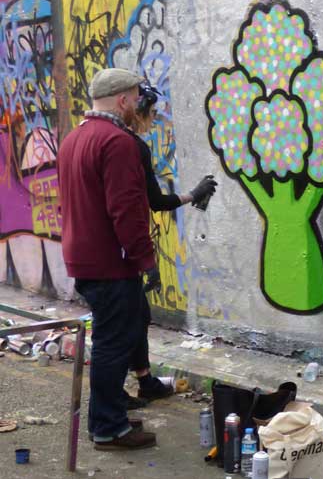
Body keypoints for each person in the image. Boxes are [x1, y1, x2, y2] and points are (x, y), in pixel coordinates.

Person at [58, 68, 159, 450]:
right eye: (135, 98)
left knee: (113, 339)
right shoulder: (118, 143)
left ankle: (111, 412)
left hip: (84, 257)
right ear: (122, 100)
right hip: (111, 263)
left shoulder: (74, 139)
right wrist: (145, 259)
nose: (138, 105)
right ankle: (108, 427)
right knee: (113, 345)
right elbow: (126, 210)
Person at [124, 82, 217, 405]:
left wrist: (192, 194)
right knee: (123, 326)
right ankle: (109, 405)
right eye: (150, 113)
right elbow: (152, 202)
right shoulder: (131, 146)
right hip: (123, 253)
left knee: (137, 315)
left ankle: (143, 380)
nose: (153, 120)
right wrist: (146, 261)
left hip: (111, 250)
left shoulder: (110, 141)